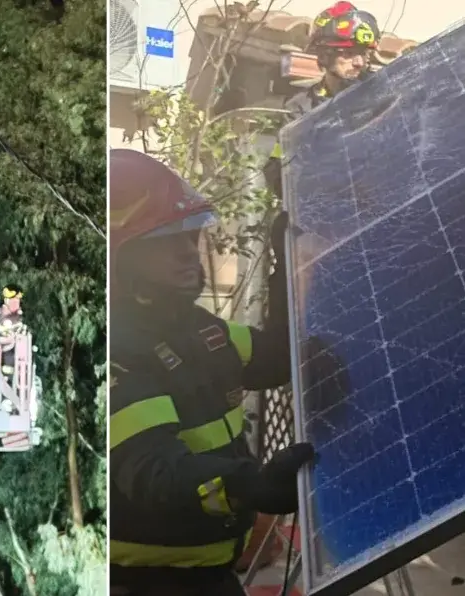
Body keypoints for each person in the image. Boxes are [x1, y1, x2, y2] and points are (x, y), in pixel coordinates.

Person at [108, 149, 317, 596]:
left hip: (212, 578)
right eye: (164, 240)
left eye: (189, 236)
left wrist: (285, 259)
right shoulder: (117, 351)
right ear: (119, 256)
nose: (188, 252)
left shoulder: (200, 329)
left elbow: (277, 358)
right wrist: (251, 485)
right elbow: (155, 472)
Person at [264, 2, 382, 195]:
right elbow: (280, 175)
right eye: (349, 53)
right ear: (325, 55)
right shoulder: (300, 108)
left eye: (364, 53)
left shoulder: (383, 96)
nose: (359, 62)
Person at [0, 284, 26, 378]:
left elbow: (20, 328)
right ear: (6, 300)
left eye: (17, 301)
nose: (15, 303)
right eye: (12, 300)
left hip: (10, 349)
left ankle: (7, 373)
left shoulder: (20, 317)